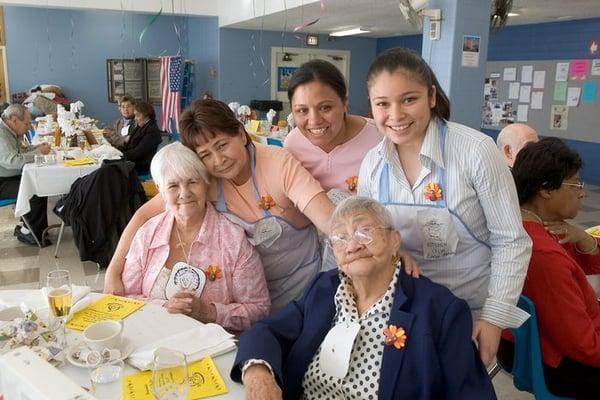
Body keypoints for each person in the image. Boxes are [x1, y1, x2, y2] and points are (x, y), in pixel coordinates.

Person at [358, 47, 532, 367]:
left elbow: (511, 241)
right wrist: (391, 249)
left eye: (409, 99)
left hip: (469, 314)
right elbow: (370, 232)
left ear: (432, 96)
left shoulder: (475, 151)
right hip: (403, 310)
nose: (395, 115)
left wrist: (493, 319)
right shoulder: (372, 163)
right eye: (383, 104)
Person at [232, 196, 496, 400]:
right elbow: (266, 330)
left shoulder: (439, 310)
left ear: (394, 241)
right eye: (340, 237)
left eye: (364, 232)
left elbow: (470, 393)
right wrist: (257, 371)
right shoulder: (325, 289)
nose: (353, 245)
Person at [104, 99, 335, 312]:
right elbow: (143, 216)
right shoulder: (205, 181)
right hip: (247, 293)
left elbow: (331, 222)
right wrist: (113, 272)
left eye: (222, 145)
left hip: (303, 290)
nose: (218, 160)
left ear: (241, 134)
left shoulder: (279, 166)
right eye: (205, 154)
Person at [122, 142, 270, 331]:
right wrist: (163, 307)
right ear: (160, 189)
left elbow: (259, 309)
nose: (184, 193)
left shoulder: (233, 240)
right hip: (152, 341)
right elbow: (125, 297)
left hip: (213, 348)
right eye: (173, 185)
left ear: (206, 182)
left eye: (192, 182)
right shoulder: (147, 235)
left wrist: (209, 312)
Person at [498, 138, 600, 399]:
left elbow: (585, 266)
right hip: (558, 364)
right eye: (575, 184)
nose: (581, 192)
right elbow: (585, 346)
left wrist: (586, 240)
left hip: (523, 346)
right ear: (546, 189)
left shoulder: (520, 229)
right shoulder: (543, 255)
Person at [284, 59, 381, 197]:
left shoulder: (378, 138)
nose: (314, 120)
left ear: (344, 103)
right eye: (302, 110)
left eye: (325, 108)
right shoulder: (293, 144)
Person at [0, 104, 52, 247]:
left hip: (8, 176)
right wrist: (38, 153)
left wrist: (37, 147)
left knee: (40, 182)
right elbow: (12, 161)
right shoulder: (1, 134)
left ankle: (36, 228)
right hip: (2, 182)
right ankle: (27, 231)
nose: (29, 127)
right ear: (14, 120)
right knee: (34, 189)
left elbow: (21, 150)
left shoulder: (8, 130)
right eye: (27, 123)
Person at [121, 101, 162, 175]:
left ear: (146, 115)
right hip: (131, 162)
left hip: (139, 167)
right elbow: (128, 145)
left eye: (138, 115)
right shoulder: (141, 126)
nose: (135, 119)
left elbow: (137, 152)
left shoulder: (152, 131)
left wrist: (120, 156)